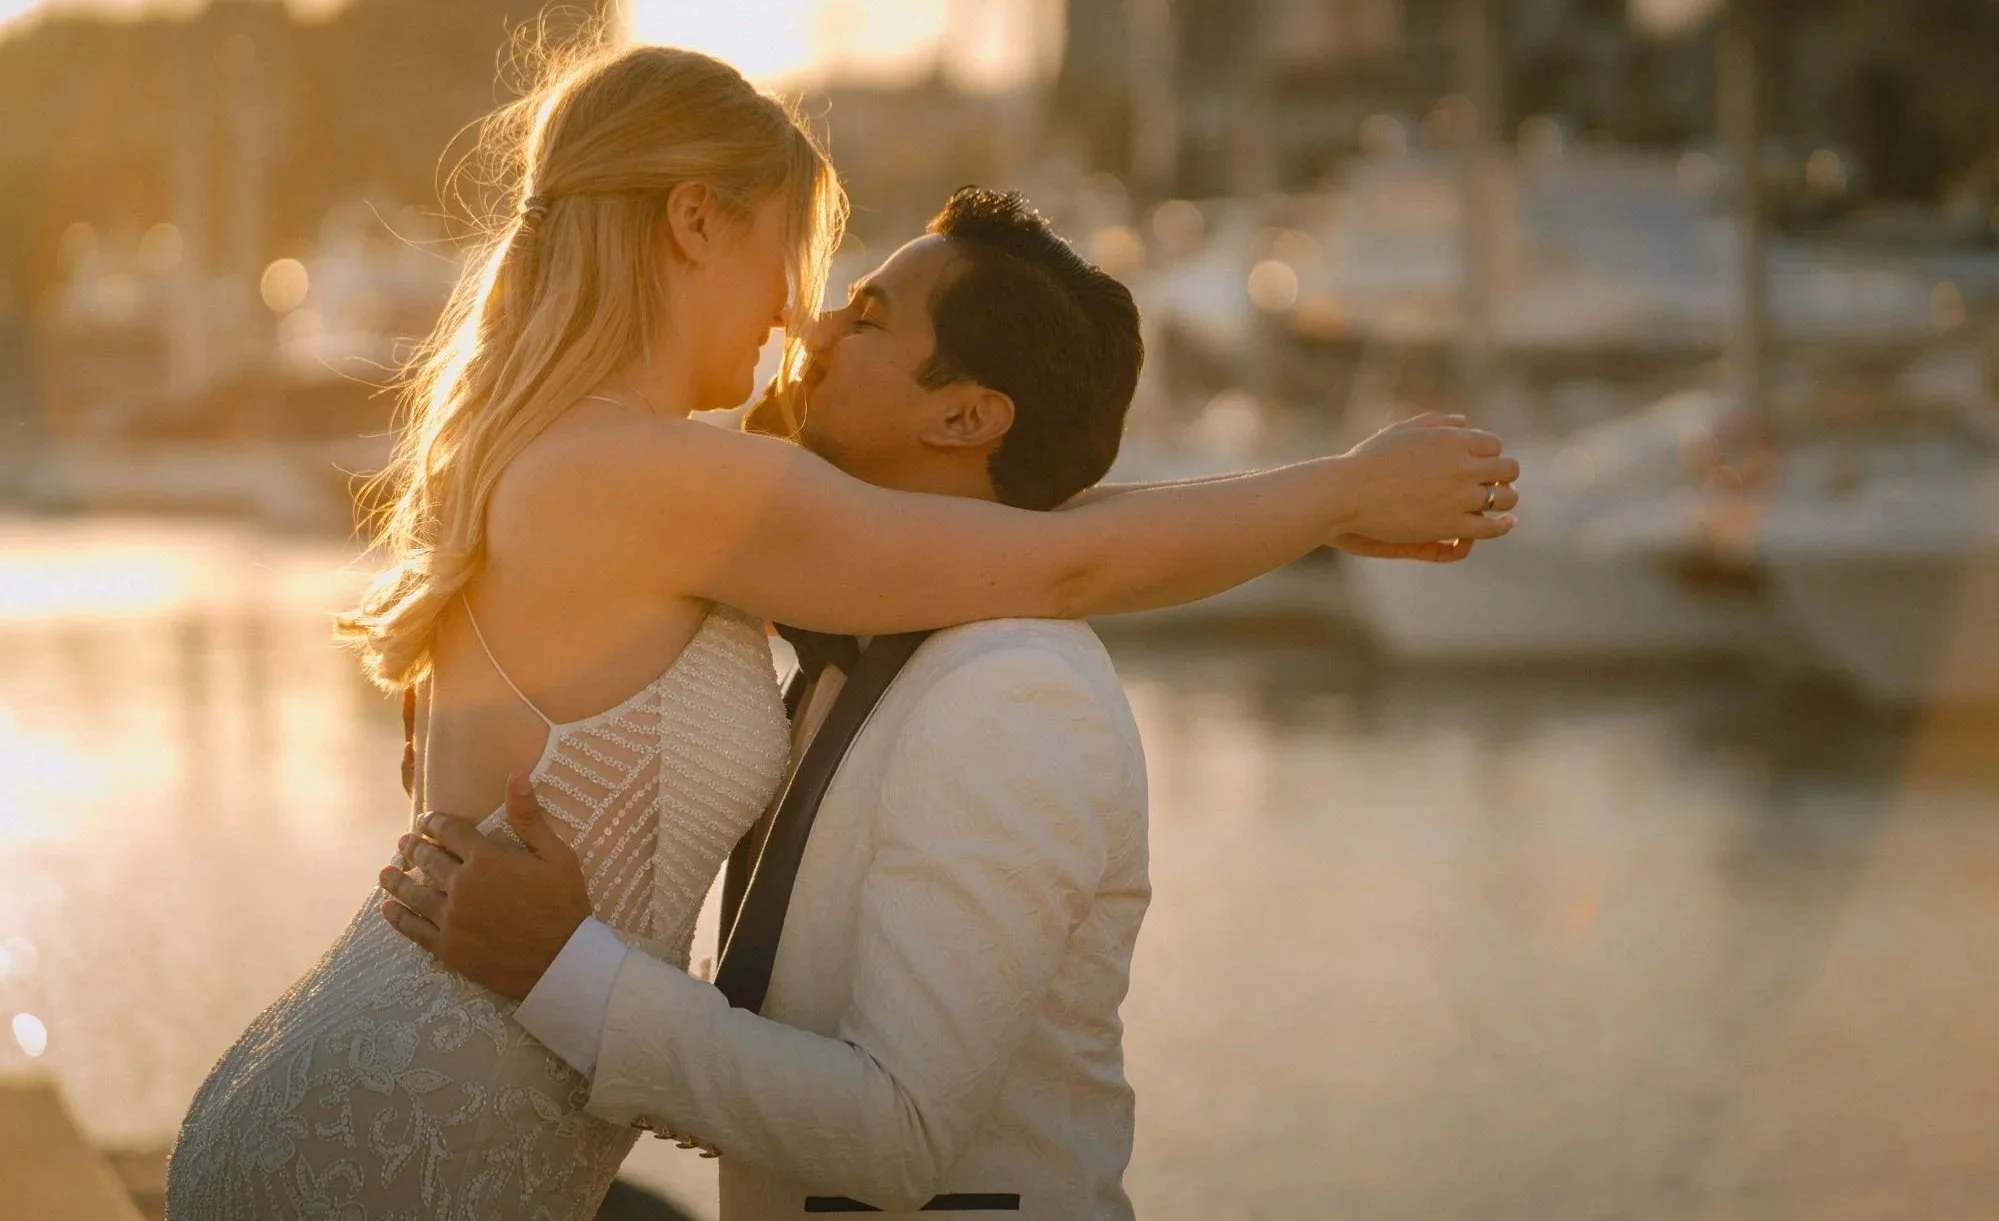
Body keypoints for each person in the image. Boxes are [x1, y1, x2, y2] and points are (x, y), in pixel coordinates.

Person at [165, 36, 1517, 1221]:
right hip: (411, 1139)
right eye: (792, 256)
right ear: (694, 222)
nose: (795, 314)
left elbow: (1023, 537)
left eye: (846, 299)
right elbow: (1054, 560)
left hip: (390, 1097)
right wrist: (1341, 491)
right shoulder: (654, 479)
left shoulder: (616, 467)